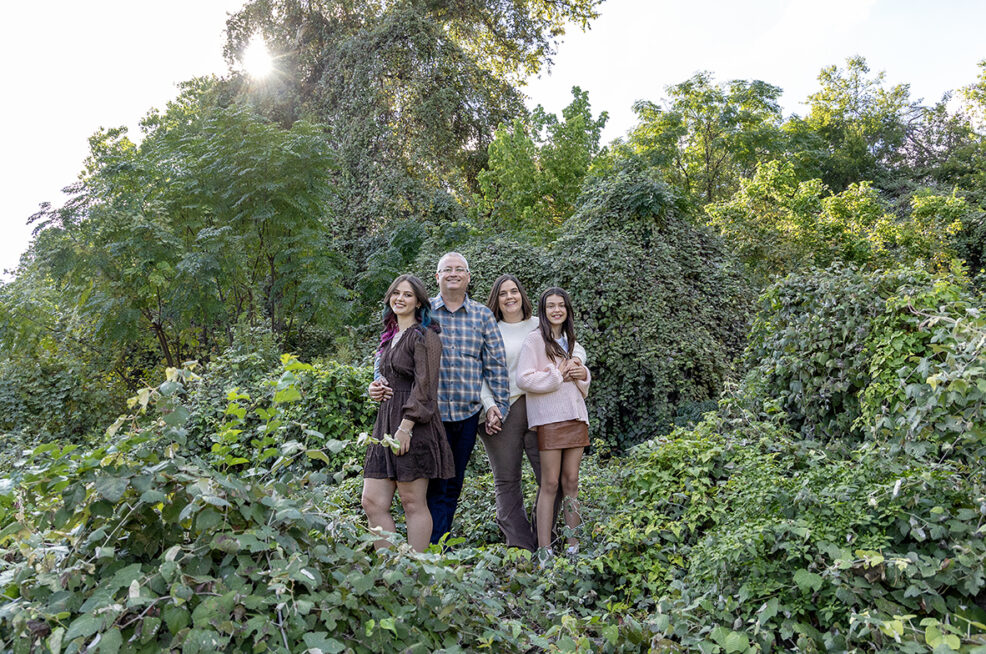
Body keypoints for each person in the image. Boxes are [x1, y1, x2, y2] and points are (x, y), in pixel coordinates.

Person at [368, 253, 510, 545]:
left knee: (447, 488)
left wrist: (499, 407)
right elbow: (386, 357)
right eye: (447, 270)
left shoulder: (481, 316)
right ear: (437, 277)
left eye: (460, 270)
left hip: (463, 414)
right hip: (426, 416)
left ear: (469, 277)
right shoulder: (424, 314)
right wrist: (376, 382)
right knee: (418, 491)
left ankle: (435, 550)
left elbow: (495, 365)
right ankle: (416, 553)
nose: (453, 274)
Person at [479, 275, 587, 550]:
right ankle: (520, 545)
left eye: (514, 291)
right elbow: (477, 373)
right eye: (503, 293)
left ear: (523, 295)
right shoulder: (489, 329)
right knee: (507, 479)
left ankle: (546, 539)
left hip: (539, 407)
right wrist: (489, 405)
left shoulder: (538, 323)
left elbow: (572, 344)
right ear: (496, 299)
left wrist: (577, 363)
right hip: (502, 409)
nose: (509, 297)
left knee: (553, 480)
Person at [362, 275, 454, 552]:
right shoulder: (389, 338)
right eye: (396, 293)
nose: (400, 299)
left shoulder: (424, 335)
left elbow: (425, 388)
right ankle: (391, 570)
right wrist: (374, 388)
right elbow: (386, 377)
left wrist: (406, 427)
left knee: (412, 502)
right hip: (384, 424)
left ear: (418, 303)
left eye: (408, 295)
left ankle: (415, 572)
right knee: (372, 501)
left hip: (412, 425)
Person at [516, 287, 590, 556]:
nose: (556, 310)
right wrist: (556, 375)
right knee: (549, 483)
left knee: (571, 482)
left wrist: (582, 372)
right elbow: (524, 379)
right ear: (543, 311)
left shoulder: (571, 342)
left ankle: (573, 546)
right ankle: (544, 549)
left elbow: (582, 378)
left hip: (575, 416)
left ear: (567, 311)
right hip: (549, 420)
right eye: (551, 306)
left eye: (561, 305)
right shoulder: (534, 340)